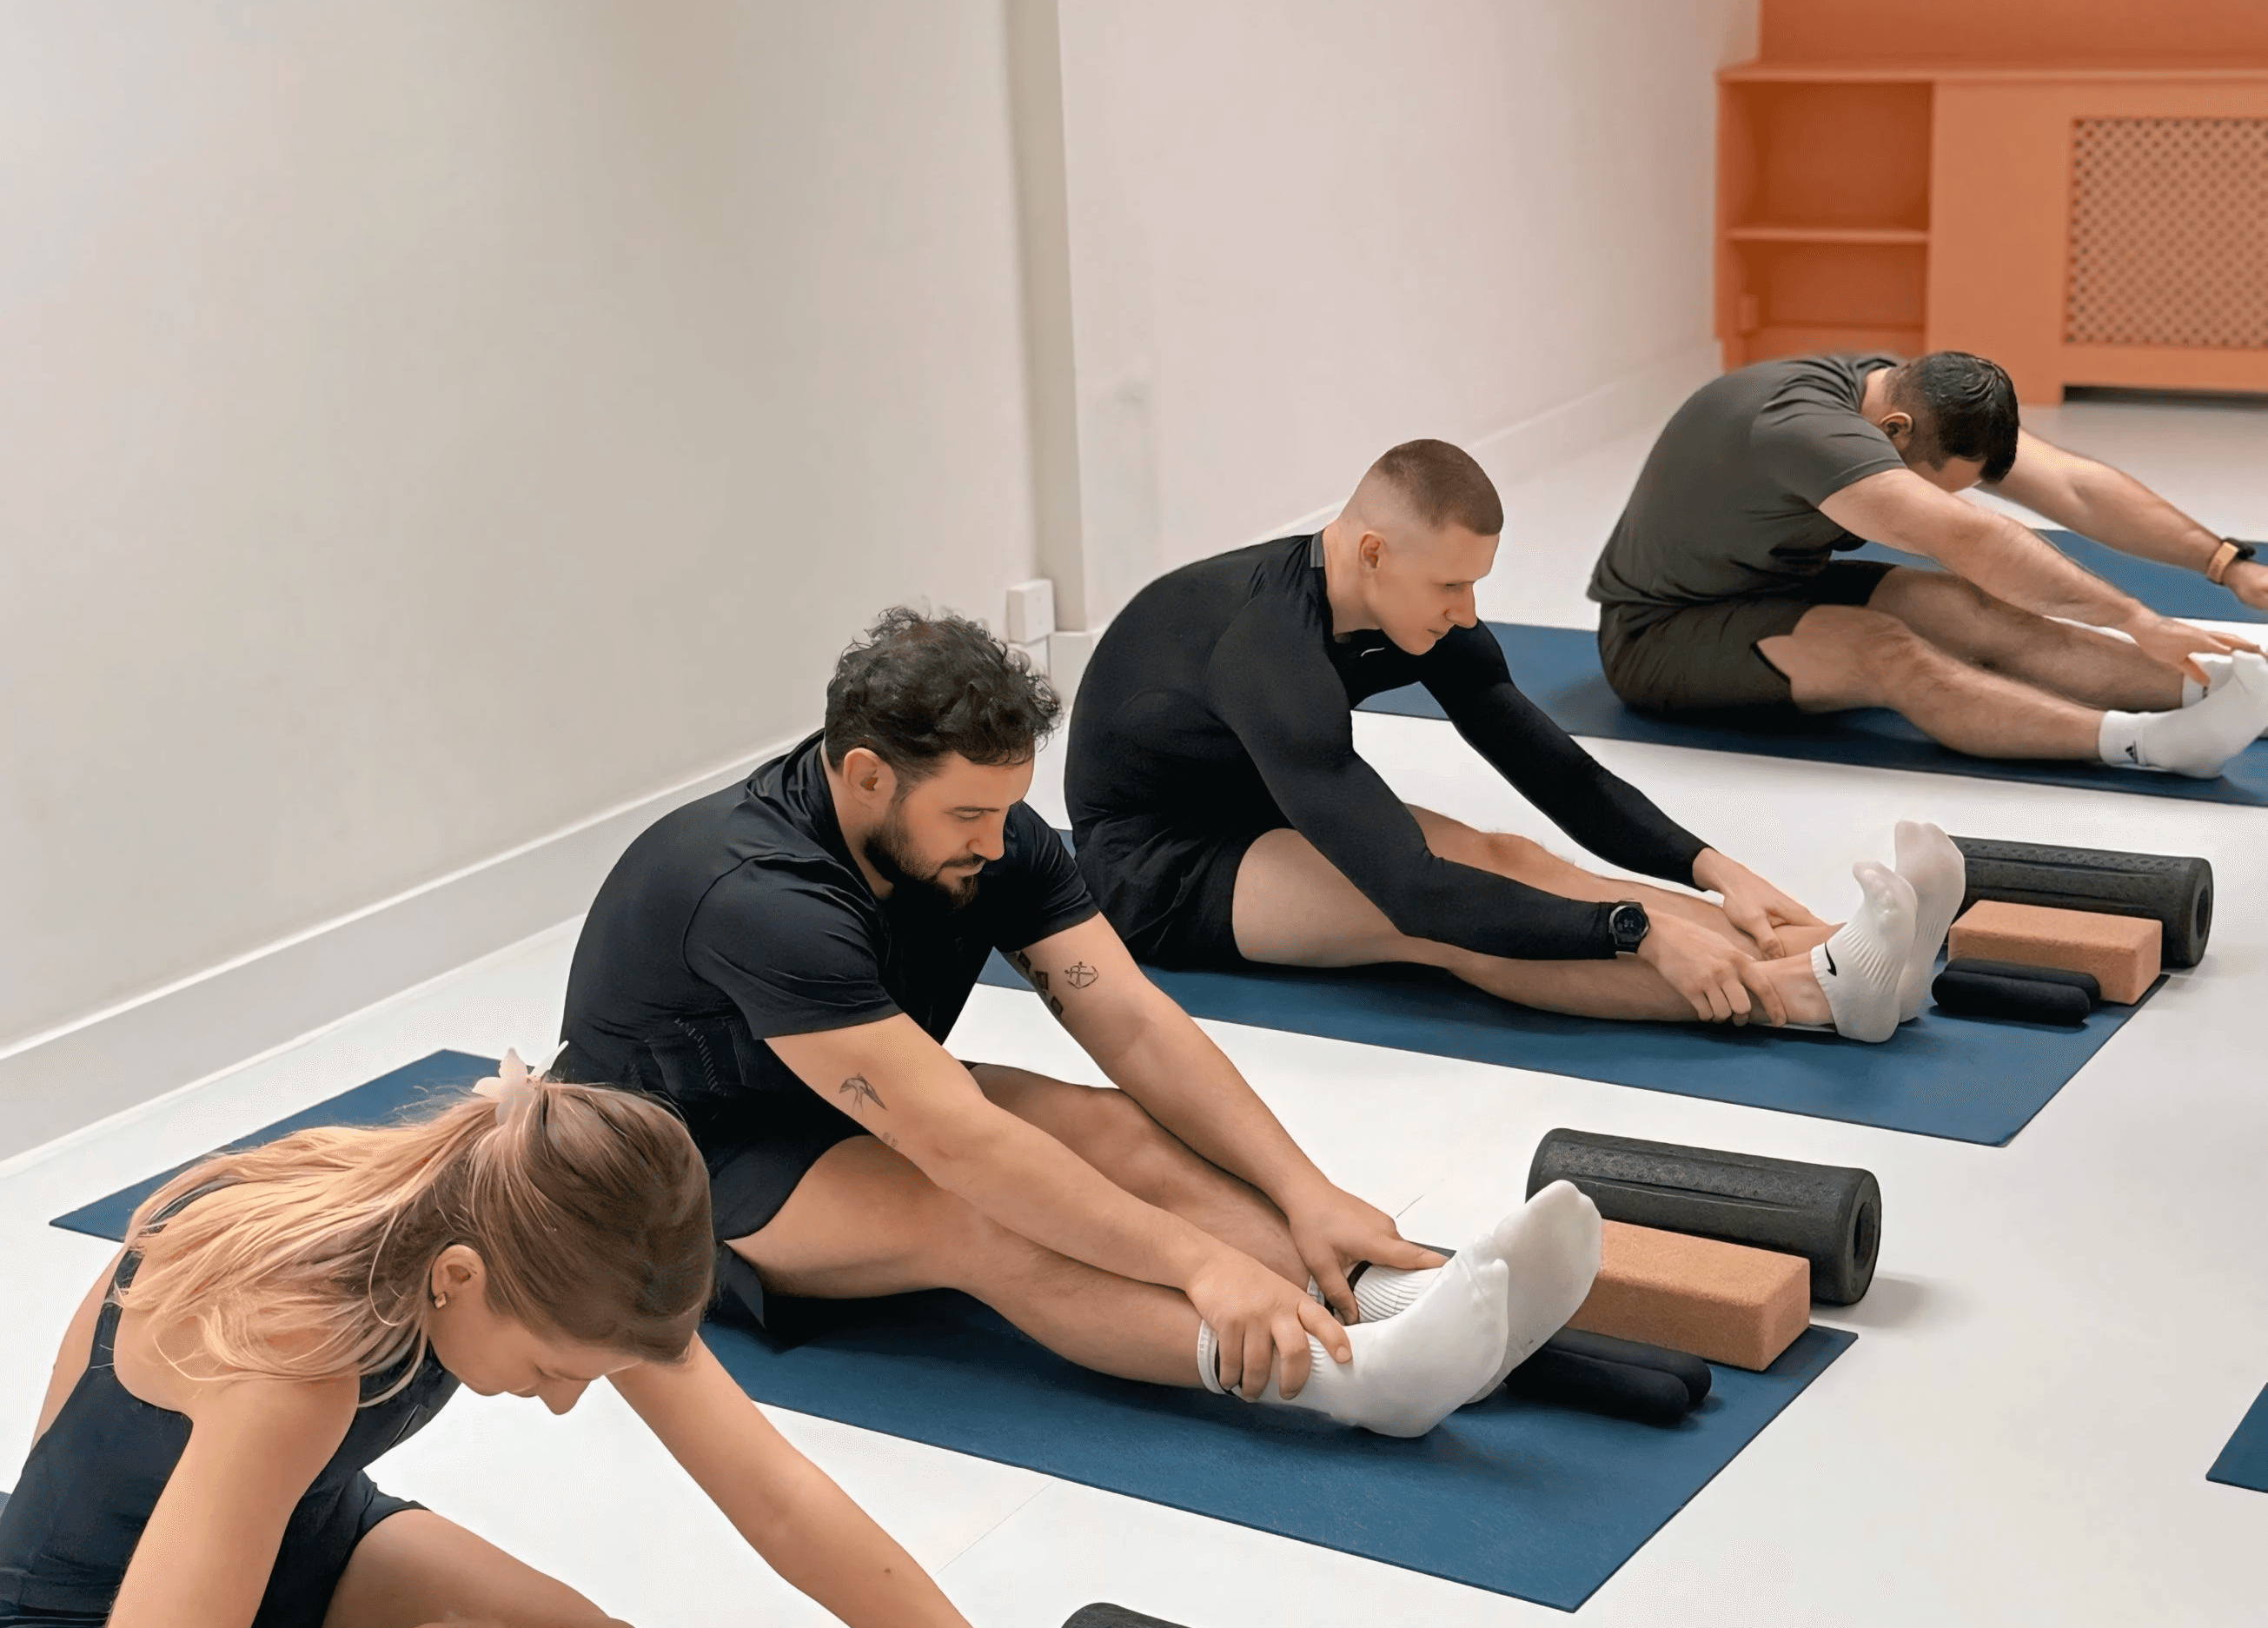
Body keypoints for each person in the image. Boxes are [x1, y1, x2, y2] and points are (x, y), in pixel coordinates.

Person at [558, 609, 1602, 1442]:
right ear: (866, 774)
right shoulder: (761, 896)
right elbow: (961, 1149)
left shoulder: (990, 836)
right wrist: (1197, 1264)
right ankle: (1357, 1383)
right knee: (978, 1218)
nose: (995, 840)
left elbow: (1134, 1023)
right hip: (669, 1174)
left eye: (1005, 806)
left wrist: (1306, 1191)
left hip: (846, 1086)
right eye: (967, 815)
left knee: (1110, 1127)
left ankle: (1393, 1300)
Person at [0, 1055, 990, 1628]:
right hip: (88, 1619)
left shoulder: (536, 1229)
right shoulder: (300, 1351)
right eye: (554, 1370)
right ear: (458, 1278)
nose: (562, 1402)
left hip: (305, 1534)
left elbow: (779, 1496)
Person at [1066, 440, 1952, 1045]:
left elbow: (1553, 769)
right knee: (1452, 932)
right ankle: (1815, 996)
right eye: (1449, 586)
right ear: (1371, 553)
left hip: (1261, 797)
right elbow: (1417, 895)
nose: (1467, 613)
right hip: (1164, 865)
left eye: (1475, 584)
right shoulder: (1267, 647)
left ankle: (1841, 947)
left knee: (1507, 856)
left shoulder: (1406, 603)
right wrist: (1632, 929)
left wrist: (1712, 868)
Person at [1588, 350, 2268, 771]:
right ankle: (2148, 744)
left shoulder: (1901, 394)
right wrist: (2138, 619)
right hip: (1661, 631)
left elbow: (2074, 487)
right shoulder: (1808, 433)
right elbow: (1973, 539)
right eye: (1937, 488)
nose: (1943, 501)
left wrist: (2225, 563)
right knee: (1890, 651)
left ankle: (2229, 693)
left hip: (1771, 581)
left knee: (1969, 609)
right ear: (1894, 435)